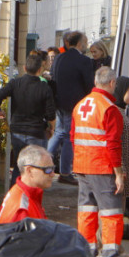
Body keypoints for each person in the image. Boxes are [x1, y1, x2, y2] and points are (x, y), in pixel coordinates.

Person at [72, 66, 129, 257]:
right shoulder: (109, 108)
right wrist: (118, 173)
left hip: (82, 166)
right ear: (112, 83)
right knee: (111, 213)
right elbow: (113, 144)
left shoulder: (80, 105)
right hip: (102, 167)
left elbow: (73, 137)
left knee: (86, 211)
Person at [0, 54, 56, 185]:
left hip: (18, 132)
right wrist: (51, 129)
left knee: (19, 166)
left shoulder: (16, 83)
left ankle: (15, 196)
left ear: (24, 68)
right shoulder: (45, 88)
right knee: (37, 169)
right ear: (40, 69)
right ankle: (32, 199)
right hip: (37, 132)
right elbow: (51, 115)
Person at [49, 30, 95, 184]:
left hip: (59, 102)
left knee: (59, 133)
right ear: (80, 43)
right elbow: (89, 84)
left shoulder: (59, 58)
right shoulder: (84, 61)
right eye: (85, 42)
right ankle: (65, 172)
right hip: (75, 105)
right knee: (69, 136)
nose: (86, 45)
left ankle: (44, 165)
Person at [0, 145, 55, 223]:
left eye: (53, 168)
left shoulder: (23, 193)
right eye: (47, 170)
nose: (53, 174)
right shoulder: (22, 209)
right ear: (29, 170)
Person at [114, 76, 129, 198]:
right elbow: (115, 142)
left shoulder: (121, 110)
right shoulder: (116, 112)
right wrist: (121, 169)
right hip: (119, 168)